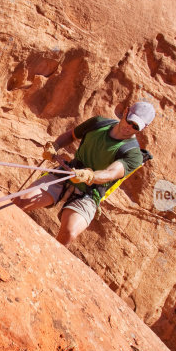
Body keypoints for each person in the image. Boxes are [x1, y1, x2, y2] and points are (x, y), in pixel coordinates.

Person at [13, 101, 156, 245]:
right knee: (20, 201)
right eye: (130, 121)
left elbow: (112, 172)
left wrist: (90, 176)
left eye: (136, 127)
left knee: (69, 233)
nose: (130, 127)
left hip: (90, 193)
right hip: (66, 174)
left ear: (144, 128)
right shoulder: (99, 123)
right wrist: (55, 146)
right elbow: (71, 135)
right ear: (126, 112)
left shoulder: (134, 154)